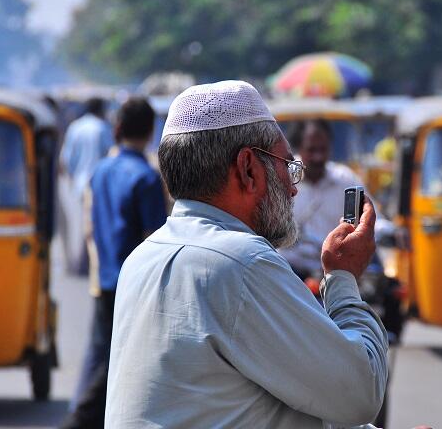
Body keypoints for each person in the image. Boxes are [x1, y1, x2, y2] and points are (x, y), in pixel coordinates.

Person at [105, 81, 390, 428]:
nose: (292, 186)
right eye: (287, 165)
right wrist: (343, 278)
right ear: (248, 169)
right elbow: (359, 394)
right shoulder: (240, 262)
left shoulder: (141, 259)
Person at [62, 97, 167, 429]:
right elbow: (155, 240)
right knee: (118, 359)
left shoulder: (101, 171)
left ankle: (80, 412)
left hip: (104, 275)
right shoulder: (147, 179)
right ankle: (79, 420)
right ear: (151, 132)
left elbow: (92, 226)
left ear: (117, 129)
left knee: (100, 354)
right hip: (133, 283)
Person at [280, 119, 369, 279]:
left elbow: (369, 219)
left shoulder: (345, 179)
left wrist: (393, 232)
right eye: (311, 150)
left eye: (323, 149)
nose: (318, 157)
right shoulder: (283, 178)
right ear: (299, 149)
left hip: (336, 272)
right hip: (291, 274)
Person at [59, 97, 114, 275]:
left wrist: (73, 178)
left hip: (80, 183)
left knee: (85, 220)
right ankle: (86, 263)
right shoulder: (103, 128)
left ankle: (81, 263)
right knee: (94, 222)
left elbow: (66, 159)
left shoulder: (75, 127)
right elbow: (110, 154)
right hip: (98, 182)